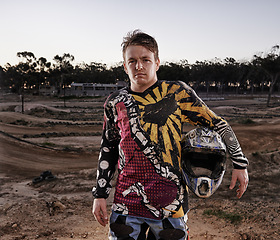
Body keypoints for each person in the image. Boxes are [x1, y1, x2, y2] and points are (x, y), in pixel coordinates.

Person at [92, 30, 249, 240]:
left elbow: (218, 123)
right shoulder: (114, 102)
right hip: (126, 205)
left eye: (145, 60)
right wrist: (100, 195)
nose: (139, 66)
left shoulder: (177, 93)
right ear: (124, 66)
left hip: (170, 206)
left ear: (156, 63)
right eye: (132, 61)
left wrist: (240, 163)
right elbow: (108, 149)